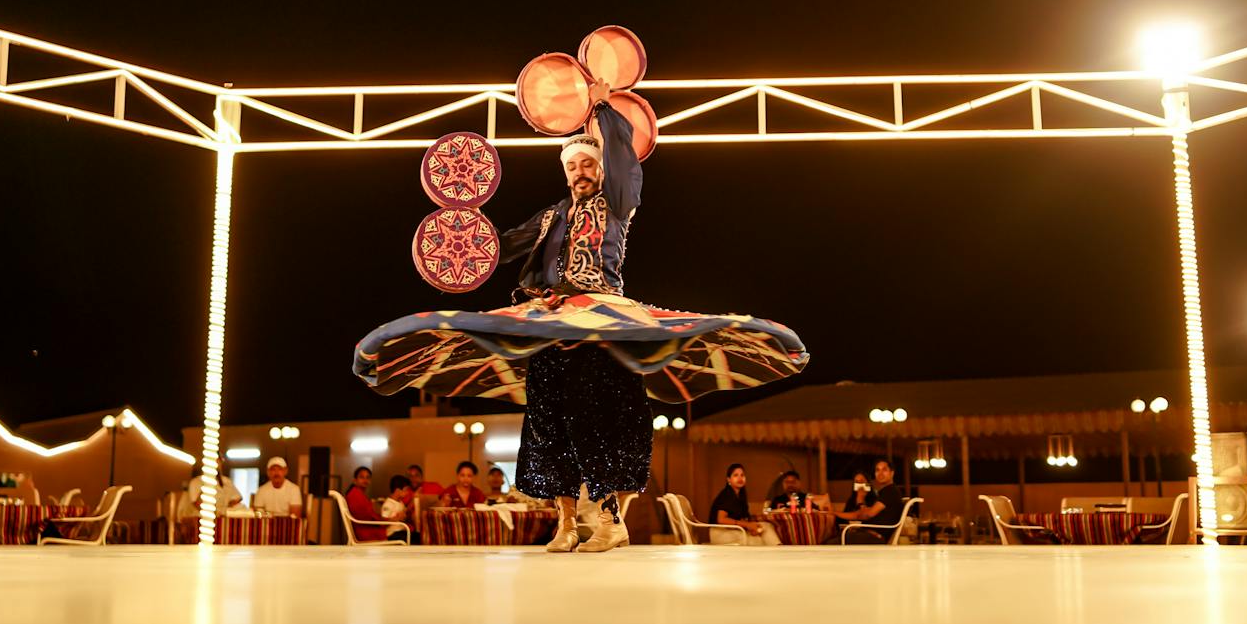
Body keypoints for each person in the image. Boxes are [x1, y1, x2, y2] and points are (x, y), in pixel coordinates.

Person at [353, 82, 809, 557]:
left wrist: (601, 105)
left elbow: (625, 157)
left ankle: (610, 520)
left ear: (601, 168)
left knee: (601, 417)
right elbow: (500, 247)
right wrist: (456, 249)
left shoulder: (616, 203)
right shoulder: (551, 216)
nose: (579, 172)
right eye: (571, 166)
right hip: (550, 321)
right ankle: (567, 523)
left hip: (602, 322)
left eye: (587, 164)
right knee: (548, 420)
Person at [834, 460, 909, 543]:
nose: (880, 473)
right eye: (877, 470)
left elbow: (867, 515)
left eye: (884, 470)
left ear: (892, 473)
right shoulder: (884, 492)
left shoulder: (891, 491)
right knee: (836, 536)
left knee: (831, 543)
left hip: (874, 537)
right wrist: (833, 513)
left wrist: (860, 501)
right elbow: (859, 515)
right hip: (866, 533)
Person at [709, 464, 780, 546]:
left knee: (766, 526)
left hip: (736, 530)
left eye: (742, 475)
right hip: (721, 532)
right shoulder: (726, 495)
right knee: (758, 541)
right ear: (729, 479)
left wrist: (751, 527)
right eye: (736, 475)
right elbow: (721, 520)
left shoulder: (740, 496)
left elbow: (742, 518)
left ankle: (779, 548)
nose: (740, 478)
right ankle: (775, 554)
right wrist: (747, 525)